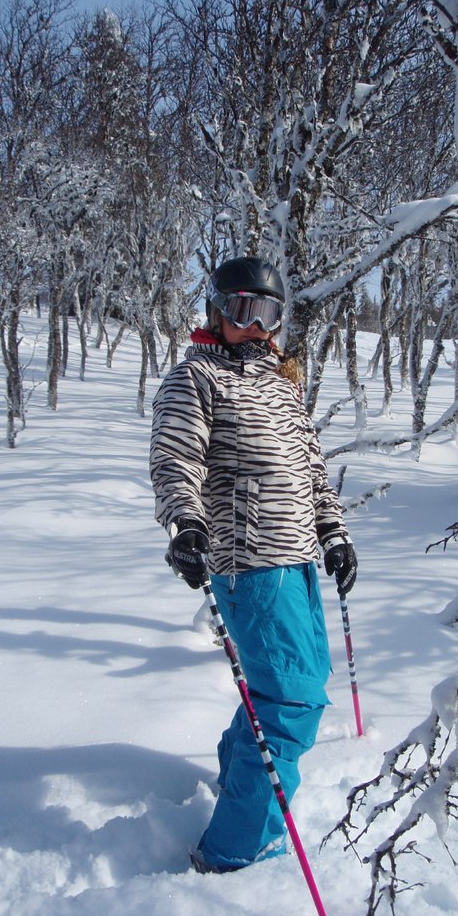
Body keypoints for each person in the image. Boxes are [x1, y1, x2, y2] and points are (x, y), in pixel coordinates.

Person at [149, 255, 358, 874]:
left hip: (297, 560)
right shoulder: (196, 379)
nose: (256, 325)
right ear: (217, 311)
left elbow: (311, 469)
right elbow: (175, 459)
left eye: (268, 312)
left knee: (293, 683)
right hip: (249, 561)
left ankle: (238, 777)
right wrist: (186, 524)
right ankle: (238, 850)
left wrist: (334, 532)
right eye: (243, 309)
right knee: (293, 700)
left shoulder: (280, 383)